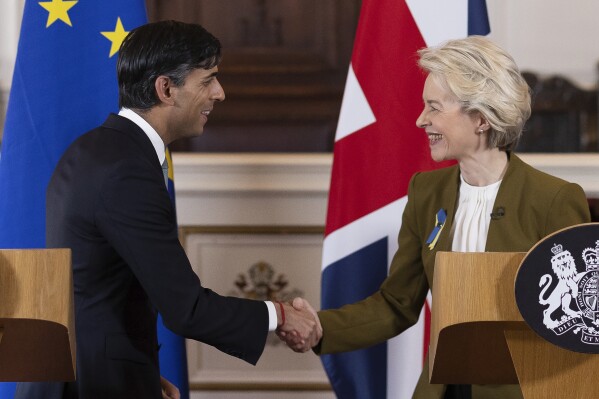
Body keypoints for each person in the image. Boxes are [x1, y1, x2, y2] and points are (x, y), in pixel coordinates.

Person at [15, 20, 320, 399]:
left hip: (75, 375)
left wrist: (138, 374)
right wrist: (281, 315)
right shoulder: (127, 170)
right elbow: (186, 308)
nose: (220, 93)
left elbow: (92, 286)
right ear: (166, 88)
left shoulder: (92, 150)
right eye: (208, 80)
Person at [279, 36, 591, 398]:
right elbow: (397, 304)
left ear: (480, 118)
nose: (420, 120)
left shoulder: (553, 199)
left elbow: (577, 319)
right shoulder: (426, 192)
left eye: (434, 108)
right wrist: (320, 327)